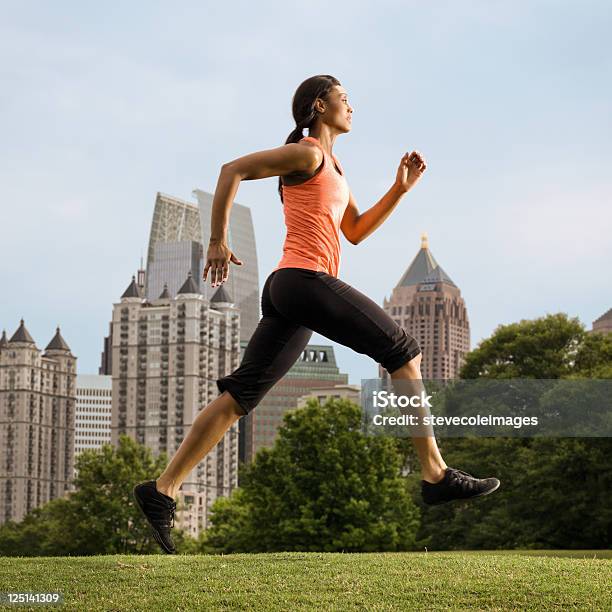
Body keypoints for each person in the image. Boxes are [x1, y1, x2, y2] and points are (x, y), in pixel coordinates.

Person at [133, 75, 500, 554]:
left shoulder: (335, 170)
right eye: (345, 99)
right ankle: (434, 474)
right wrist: (218, 239)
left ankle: (161, 490)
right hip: (302, 280)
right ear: (319, 105)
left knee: (241, 395)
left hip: (292, 291)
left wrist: (399, 189)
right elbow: (232, 170)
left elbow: (356, 230)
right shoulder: (308, 153)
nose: (352, 106)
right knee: (405, 354)